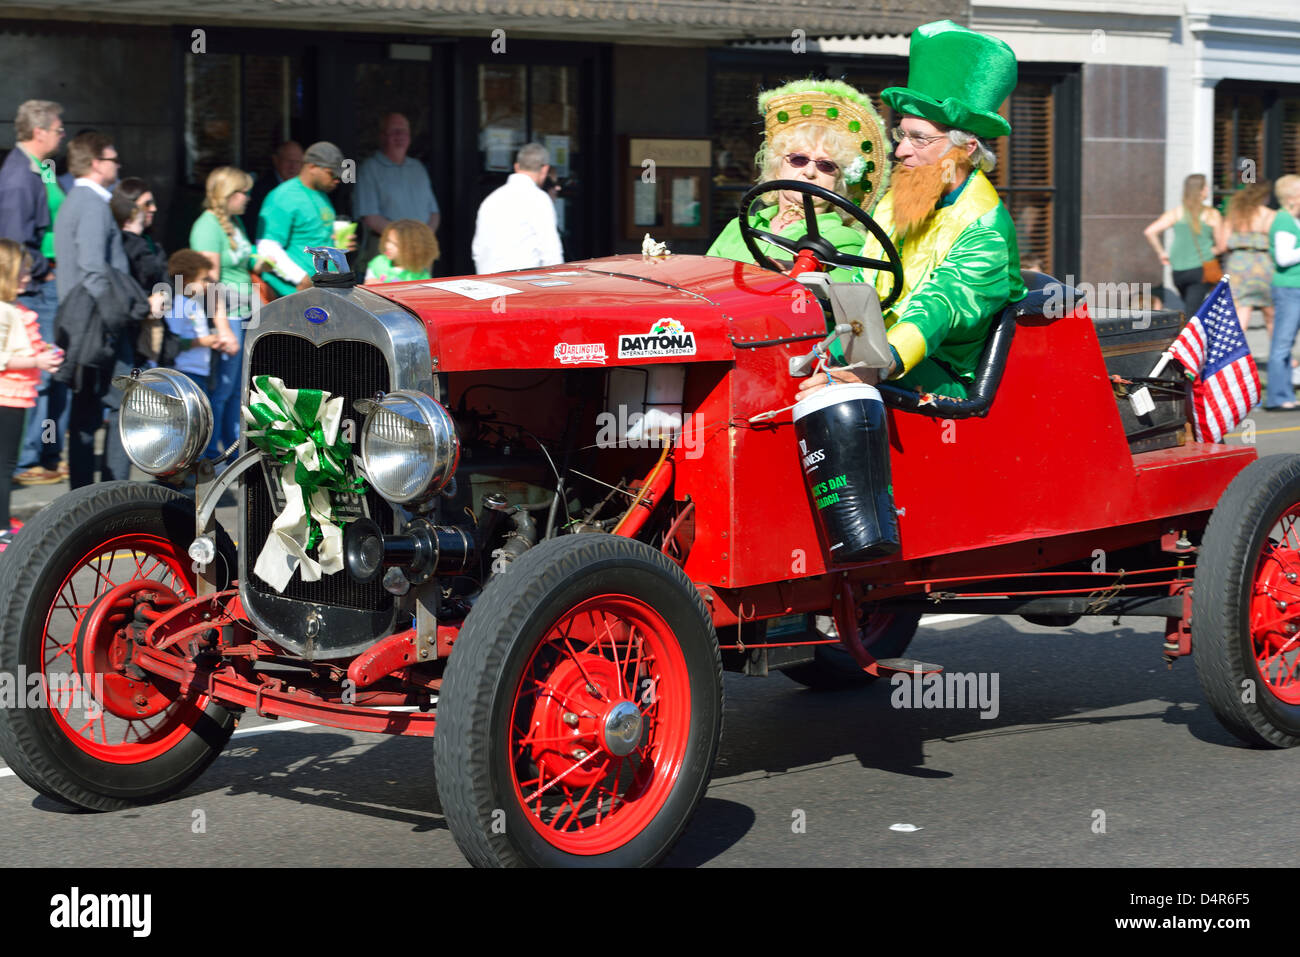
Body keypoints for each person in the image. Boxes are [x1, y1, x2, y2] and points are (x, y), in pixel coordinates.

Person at [800, 20, 1024, 401]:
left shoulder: (986, 228)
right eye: (901, 134)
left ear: (965, 149)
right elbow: (864, 270)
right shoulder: (902, 197)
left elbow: (942, 304)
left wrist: (877, 363)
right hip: (866, 340)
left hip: (938, 370)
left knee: (830, 392)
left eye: (918, 138)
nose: (902, 151)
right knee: (778, 355)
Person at [706, 79, 888, 280]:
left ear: (839, 183)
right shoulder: (739, 226)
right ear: (777, 168)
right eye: (798, 159)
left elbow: (826, 303)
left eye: (826, 165)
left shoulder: (844, 239)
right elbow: (703, 284)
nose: (810, 171)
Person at [54, 131, 139, 488]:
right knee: (125, 405)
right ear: (94, 163)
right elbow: (92, 268)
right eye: (112, 159)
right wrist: (116, 316)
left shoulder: (81, 200)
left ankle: (86, 494)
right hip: (97, 323)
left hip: (86, 322)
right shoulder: (90, 203)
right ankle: (111, 492)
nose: (118, 166)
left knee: (88, 411)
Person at [0, 99, 68, 486]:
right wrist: (43, 270)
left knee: (48, 371)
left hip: (44, 282)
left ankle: (40, 454)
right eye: (58, 130)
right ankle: (26, 461)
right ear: (39, 131)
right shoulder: (18, 177)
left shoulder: (38, 169)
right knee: (35, 371)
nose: (62, 135)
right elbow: (13, 244)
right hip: (37, 287)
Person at [0, 240, 62, 549]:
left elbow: (22, 346)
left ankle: (2, 519)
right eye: (23, 271)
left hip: (17, 396)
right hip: (6, 397)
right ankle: (0, 529)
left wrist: (45, 353)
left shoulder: (15, 309)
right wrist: (37, 361)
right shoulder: (4, 311)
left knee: (6, 464)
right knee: (4, 465)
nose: (29, 275)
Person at [191, 166, 255, 455]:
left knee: (238, 391)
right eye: (242, 192)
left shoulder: (233, 222)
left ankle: (232, 451)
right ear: (226, 195)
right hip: (227, 315)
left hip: (245, 311)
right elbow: (209, 282)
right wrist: (224, 328)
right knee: (223, 389)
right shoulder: (207, 226)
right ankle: (210, 455)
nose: (247, 198)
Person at [257, 141, 355, 297]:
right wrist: (300, 278)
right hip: (292, 294)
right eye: (332, 173)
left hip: (322, 290)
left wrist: (339, 245)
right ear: (312, 167)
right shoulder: (283, 196)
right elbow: (267, 246)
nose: (338, 179)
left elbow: (316, 237)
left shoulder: (321, 195)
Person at [354, 113, 441, 263]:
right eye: (394, 131)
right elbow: (371, 218)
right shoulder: (370, 169)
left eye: (404, 131)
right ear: (382, 136)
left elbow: (434, 212)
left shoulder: (418, 168)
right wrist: (407, 239)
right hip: (387, 253)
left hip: (422, 251)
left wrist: (424, 238)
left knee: (423, 287)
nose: (400, 136)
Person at [471, 142, 563, 274]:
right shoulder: (538, 199)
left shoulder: (492, 199)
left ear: (516, 166)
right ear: (544, 170)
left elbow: (478, 250)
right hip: (523, 284)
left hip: (488, 282)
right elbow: (551, 252)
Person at [1143, 174, 1224, 317]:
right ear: (1200, 190)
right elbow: (1221, 246)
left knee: (1190, 306)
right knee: (1193, 312)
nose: (1208, 190)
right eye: (1206, 187)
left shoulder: (1176, 213)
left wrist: (1161, 253)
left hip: (1178, 271)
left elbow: (1150, 232)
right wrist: (1212, 250)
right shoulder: (1212, 215)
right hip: (1201, 269)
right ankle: (1187, 338)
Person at [1215, 181, 1276, 335]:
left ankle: (1235, 355)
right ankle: (1282, 356)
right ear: (1264, 197)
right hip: (1264, 264)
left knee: (1241, 309)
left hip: (1238, 265)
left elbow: (1222, 245)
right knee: (1270, 312)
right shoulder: (1271, 215)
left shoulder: (1235, 215)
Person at [1264, 175, 1300, 411]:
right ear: (1291, 197)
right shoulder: (1284, 220)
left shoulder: (1291, 219)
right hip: (1289, 288)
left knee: (1285, 344)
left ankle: (1285, 391)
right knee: (1282, 344)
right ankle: (1277, 396)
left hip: (1294, 287)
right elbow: (1284, 258)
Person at [163, 249, 221, 392]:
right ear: (187, 280)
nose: (208, 284)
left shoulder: (195, 304)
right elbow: (171, 343)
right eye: (204, 279)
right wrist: (202, 342)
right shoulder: (178, 304)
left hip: (200, 373)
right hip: (183, 372)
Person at [245, 140, 303, 242]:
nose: (293, 166)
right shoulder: (261, 190)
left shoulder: (304, 190)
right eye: (288, 161)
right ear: (276, 160)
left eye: (298, 162)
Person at [365, 218, 439, 283]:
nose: (388, 246)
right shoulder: (379, 263)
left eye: (395, 244)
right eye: (388, 240)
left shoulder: (420, 275)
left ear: (413, 249)